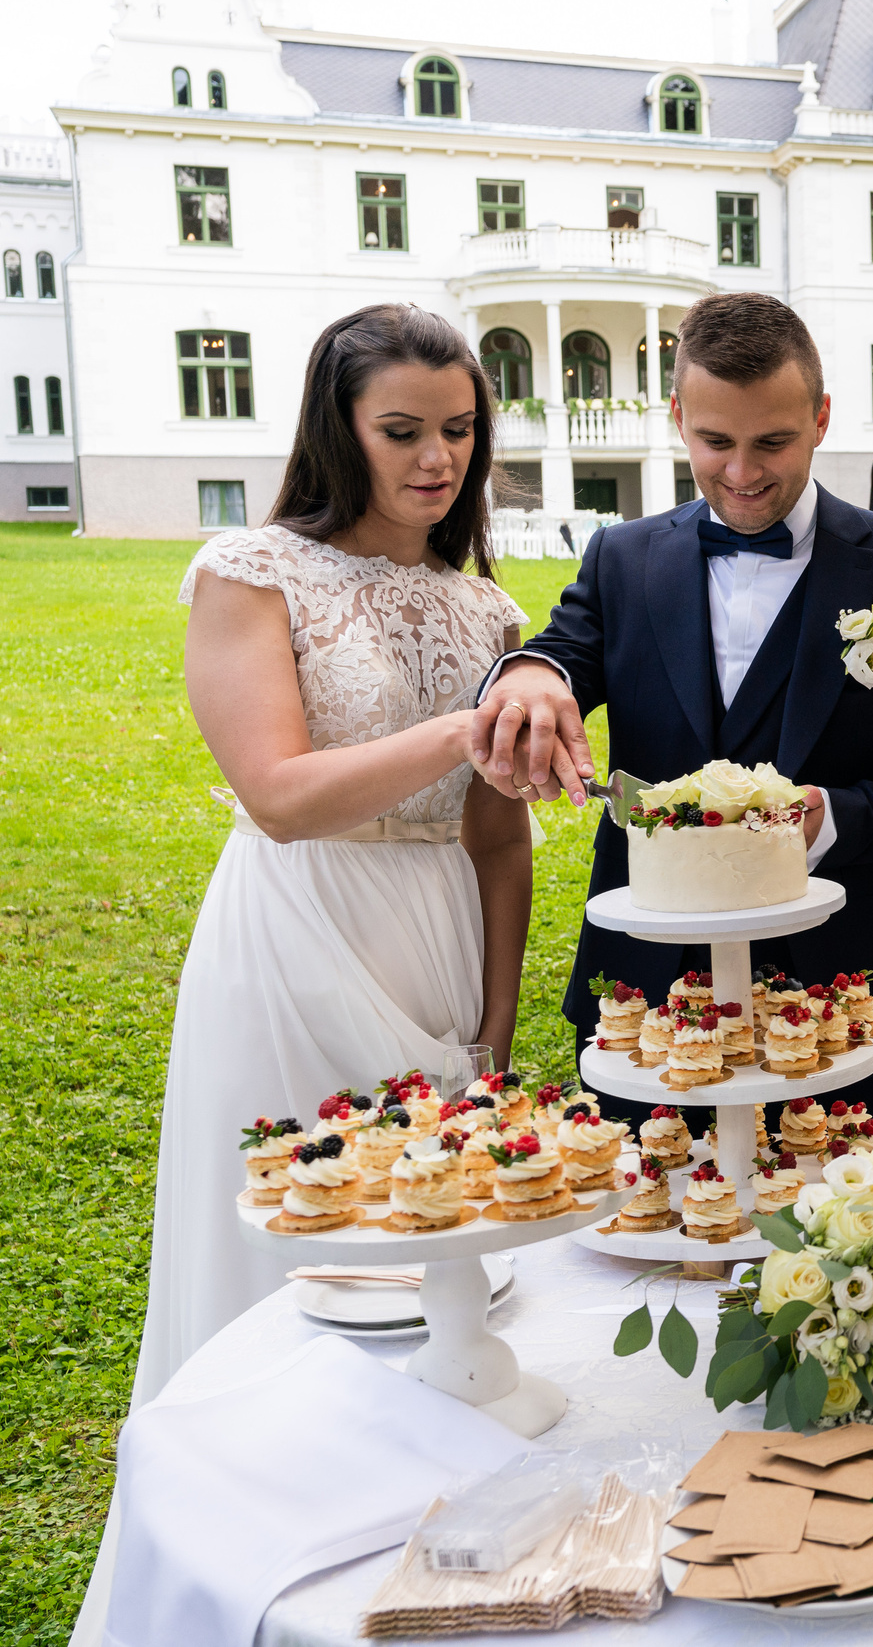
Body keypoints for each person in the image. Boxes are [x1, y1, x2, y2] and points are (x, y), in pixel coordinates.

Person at [138, 304, 532, 1405]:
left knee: (436, 1243)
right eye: (401, 431)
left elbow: (499, 835)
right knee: (299, 1238)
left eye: (458, 429)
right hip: (297, 930)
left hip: (441, 936)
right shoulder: (251, 572)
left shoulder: (486, 608)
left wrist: (496, 1021)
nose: (437, 457)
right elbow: (277, 797)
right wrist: (460, 731)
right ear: (337, 428)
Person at [471, 292, 873, 1109]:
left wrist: (836, 817)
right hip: (649, 992)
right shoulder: (622, 558)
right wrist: (533, 671)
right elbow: (563, 654)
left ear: (821, 418)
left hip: (841, 984)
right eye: (716, 442)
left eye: (772, 443)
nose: (744, 474)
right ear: (679, 417)